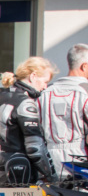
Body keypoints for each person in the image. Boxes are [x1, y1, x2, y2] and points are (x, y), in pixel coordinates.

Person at [0, 57, 57, 196]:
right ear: (33, 76)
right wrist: (51, 176)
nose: (45, 87)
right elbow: (34, 148)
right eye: (45, 82)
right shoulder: (25, 102)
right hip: (21, 175)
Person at [36, 43, 88, 178]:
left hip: (48, 158)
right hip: (80, 158)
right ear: (84, 66)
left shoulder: (46, 92)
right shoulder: (85, 92)